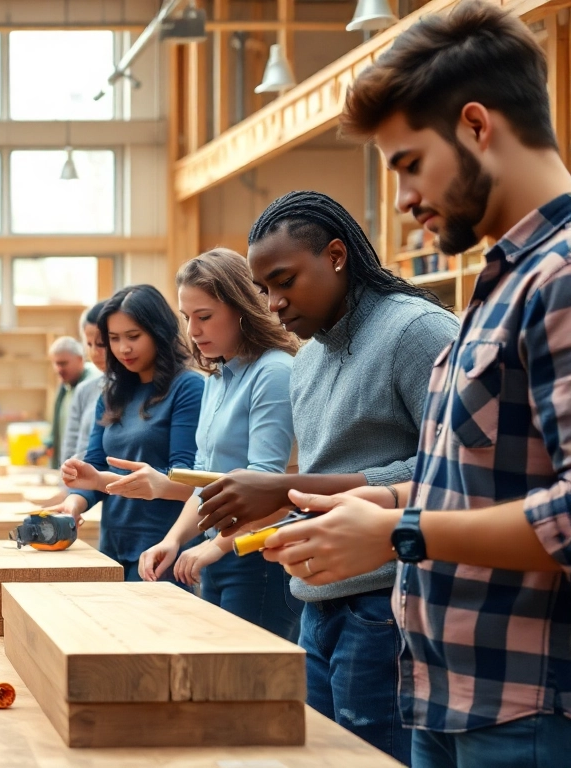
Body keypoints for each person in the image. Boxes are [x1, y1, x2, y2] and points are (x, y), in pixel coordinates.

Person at [252, 3, 571, 765]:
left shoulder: (559, 278)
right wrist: (381, 499)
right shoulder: (499, 286)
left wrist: (400, 531)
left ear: (474, 126)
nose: (401, 201)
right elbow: (477, 481)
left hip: (521, 706)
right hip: (446, 694)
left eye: (407, 164)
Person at [191, 192, 459, 764]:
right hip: (317, 602)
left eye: (285, 280)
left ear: (336, 255)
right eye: (264, 289)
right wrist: (279, 517)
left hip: (390, 604)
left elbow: (453, 468)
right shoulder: (308, 358)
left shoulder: (415, 332)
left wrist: (288, 488)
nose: (274, 303)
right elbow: (327, 475)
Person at [127, 250, 301, 640]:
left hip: (258, 557)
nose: (192, 331)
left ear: (242, 308)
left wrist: (215, 548)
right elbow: (207, 483)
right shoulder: (217, 378)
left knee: (247, 685)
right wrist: (172, 541)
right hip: (220, 554)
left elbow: (266, 485)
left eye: (204, 317)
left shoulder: (273, 372)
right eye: (187, 319)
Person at [51, 285, 204, 580]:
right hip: (112, 546)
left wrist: (101, 480)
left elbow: (185, 477)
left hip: (162, 550)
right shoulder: (110, 394)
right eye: (114, 339)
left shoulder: (187, 388)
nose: (124, 349)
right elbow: (94, 465)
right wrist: (74, 501)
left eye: (134, 337)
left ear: (159, 332)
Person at [32, 336, 97, 469]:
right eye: (55, 363)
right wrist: (47, 447)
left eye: (63, 363)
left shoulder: (92, 386)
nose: (58, 369)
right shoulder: (66, 387)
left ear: (80, 360)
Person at [63, 301, 108, 461]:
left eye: (102, 344)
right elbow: (72, 448)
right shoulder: (84, 390)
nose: (95, 352)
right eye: (89, 344)